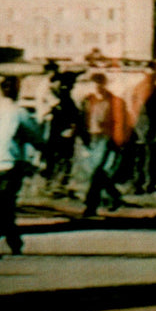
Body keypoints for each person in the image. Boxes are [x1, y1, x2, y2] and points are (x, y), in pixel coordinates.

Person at [0, 76, 43, 260]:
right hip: (11, 162)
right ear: (15, 91)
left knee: (5, 202)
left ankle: (14, 241)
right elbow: (36, 136)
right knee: (5, 205)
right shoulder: (19, 112)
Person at [81, 73, 131, 216]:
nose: (97, 87)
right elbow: (82, 120)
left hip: (106, 138)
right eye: (94, 84)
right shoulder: (87, 101)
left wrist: (119, 140)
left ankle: (91, 205)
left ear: (104, 85)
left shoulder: (114, 101)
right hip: (92, 137)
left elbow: (122, 121)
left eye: (100, 84)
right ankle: (115, 196)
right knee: (98, 173)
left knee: (97, 172)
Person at [44, 71, 82, 197]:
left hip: (56, 134)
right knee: (63, 160)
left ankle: (53, 185)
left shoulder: (59, 98)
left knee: (55, 160)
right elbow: (72, 116)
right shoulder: (66, 100)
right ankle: (58, 186)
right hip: (64, 134)